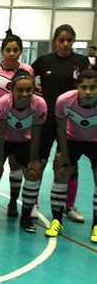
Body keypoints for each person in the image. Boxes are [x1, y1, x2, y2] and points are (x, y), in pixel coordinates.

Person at [32, 24, 91, 223]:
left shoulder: (81, 62)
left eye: (69, 40)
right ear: (54, 41)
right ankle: (33, 203)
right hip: (47, 119)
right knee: (40, 160)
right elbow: (27, 81)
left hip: (72, 121)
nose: (65, 44)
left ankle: (68, 206)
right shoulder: (43, 62)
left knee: (69, 164)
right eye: (61, 40)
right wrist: (34, 90)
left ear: (73, 41)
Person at [0, 70, 46, 233]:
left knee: (33, 173)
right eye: (20, 90)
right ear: (12, 90)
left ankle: (24, 215)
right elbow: (1, 132)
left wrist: (33, 160)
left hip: (24, 140)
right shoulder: (4, 103)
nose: (24, 94)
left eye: (28, 90)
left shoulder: (39, 104)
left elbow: (37, 134)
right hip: (1, 139)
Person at [0, 30, 34, 216]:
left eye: (15, 50)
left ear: (20, 52)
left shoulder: (27, 71)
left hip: (19, 127)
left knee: (15, 165)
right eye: (8, 50)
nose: (11, 54)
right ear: (2, 51)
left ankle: (13, 202)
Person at [45, 69, 97, 243]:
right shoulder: (64, 101)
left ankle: (96, 225)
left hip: (95, 141)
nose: (88, 92)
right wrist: (64, 155)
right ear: (77, 87)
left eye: (93, 87)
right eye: (84, 87)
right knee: (61, 173)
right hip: (71, 140)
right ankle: (57, 220)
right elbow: (60, 128)